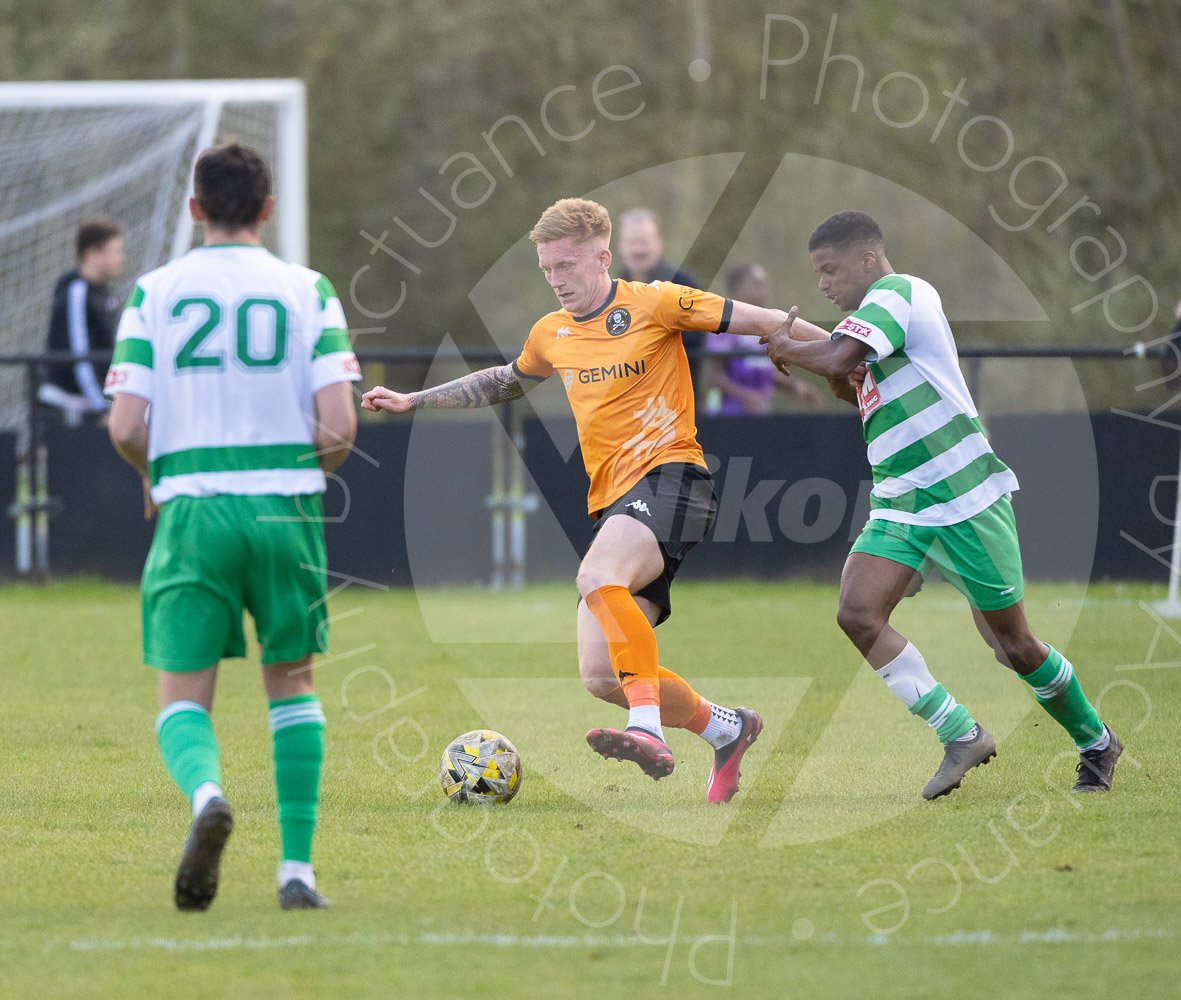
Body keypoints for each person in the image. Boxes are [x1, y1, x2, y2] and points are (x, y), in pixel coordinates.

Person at [361, 198, 844, 801]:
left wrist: (849, 356)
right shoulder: (551, 333)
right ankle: (727, 728)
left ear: (602, 257)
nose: (556, 280)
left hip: (676, 480)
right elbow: (505, 380)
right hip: (616, 504)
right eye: (547, 270)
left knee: (596, 573)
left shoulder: (655, 301)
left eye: (566, 265)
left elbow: (767, 319)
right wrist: (415, 400)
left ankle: (646, 729)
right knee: (601, 674)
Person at [761, 211, 1122, 800]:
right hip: (903, 500)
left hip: (962, 497)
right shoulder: (865, 322)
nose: (823, 284)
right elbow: (843, 381)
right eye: (817, 274)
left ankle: (1096, 741)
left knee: (1014, 647)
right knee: (857, 613)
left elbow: (831, 360)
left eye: (830, 270)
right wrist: (805, 353)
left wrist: (791, 345)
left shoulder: (899, 293)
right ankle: (960, 732)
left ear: (868, 259)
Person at [105, 142, 361, 912]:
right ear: (269, 208)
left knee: (184, 693)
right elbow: (339, 425)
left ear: (194, 210)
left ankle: (208, 794)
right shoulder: (307, 289)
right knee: (292, 683)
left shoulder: (155, 292)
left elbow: (125, 424)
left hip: (193, 507)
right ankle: (297, 874)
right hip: (284, 505)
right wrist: (296, 475)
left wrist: (157, 475)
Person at [703, 264, 824, 415]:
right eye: (756, 284)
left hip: (759, 417)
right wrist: (748, 398)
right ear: (735, 290)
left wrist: (797, 386)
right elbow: (713, 375)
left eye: (764, 284)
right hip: (726, 417)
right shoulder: (723, 327)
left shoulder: (764, 329)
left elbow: (763, 369)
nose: (764, 290)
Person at [41, 217, 125, 421]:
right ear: (92, 254)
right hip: (71, 407)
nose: (121, 258)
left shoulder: (104, 293)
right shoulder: (76, 291)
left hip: (96, 401)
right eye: (115, 251)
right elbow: (81, 359)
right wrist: (103, 408)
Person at [616, 207, 706, 382]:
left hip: (675, 395)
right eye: (631, 242)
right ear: (620, 246)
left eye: (644, 241)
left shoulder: (683, 284)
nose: (638, 250)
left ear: (659, 243)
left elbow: (698, 335)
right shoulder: (612, 287)